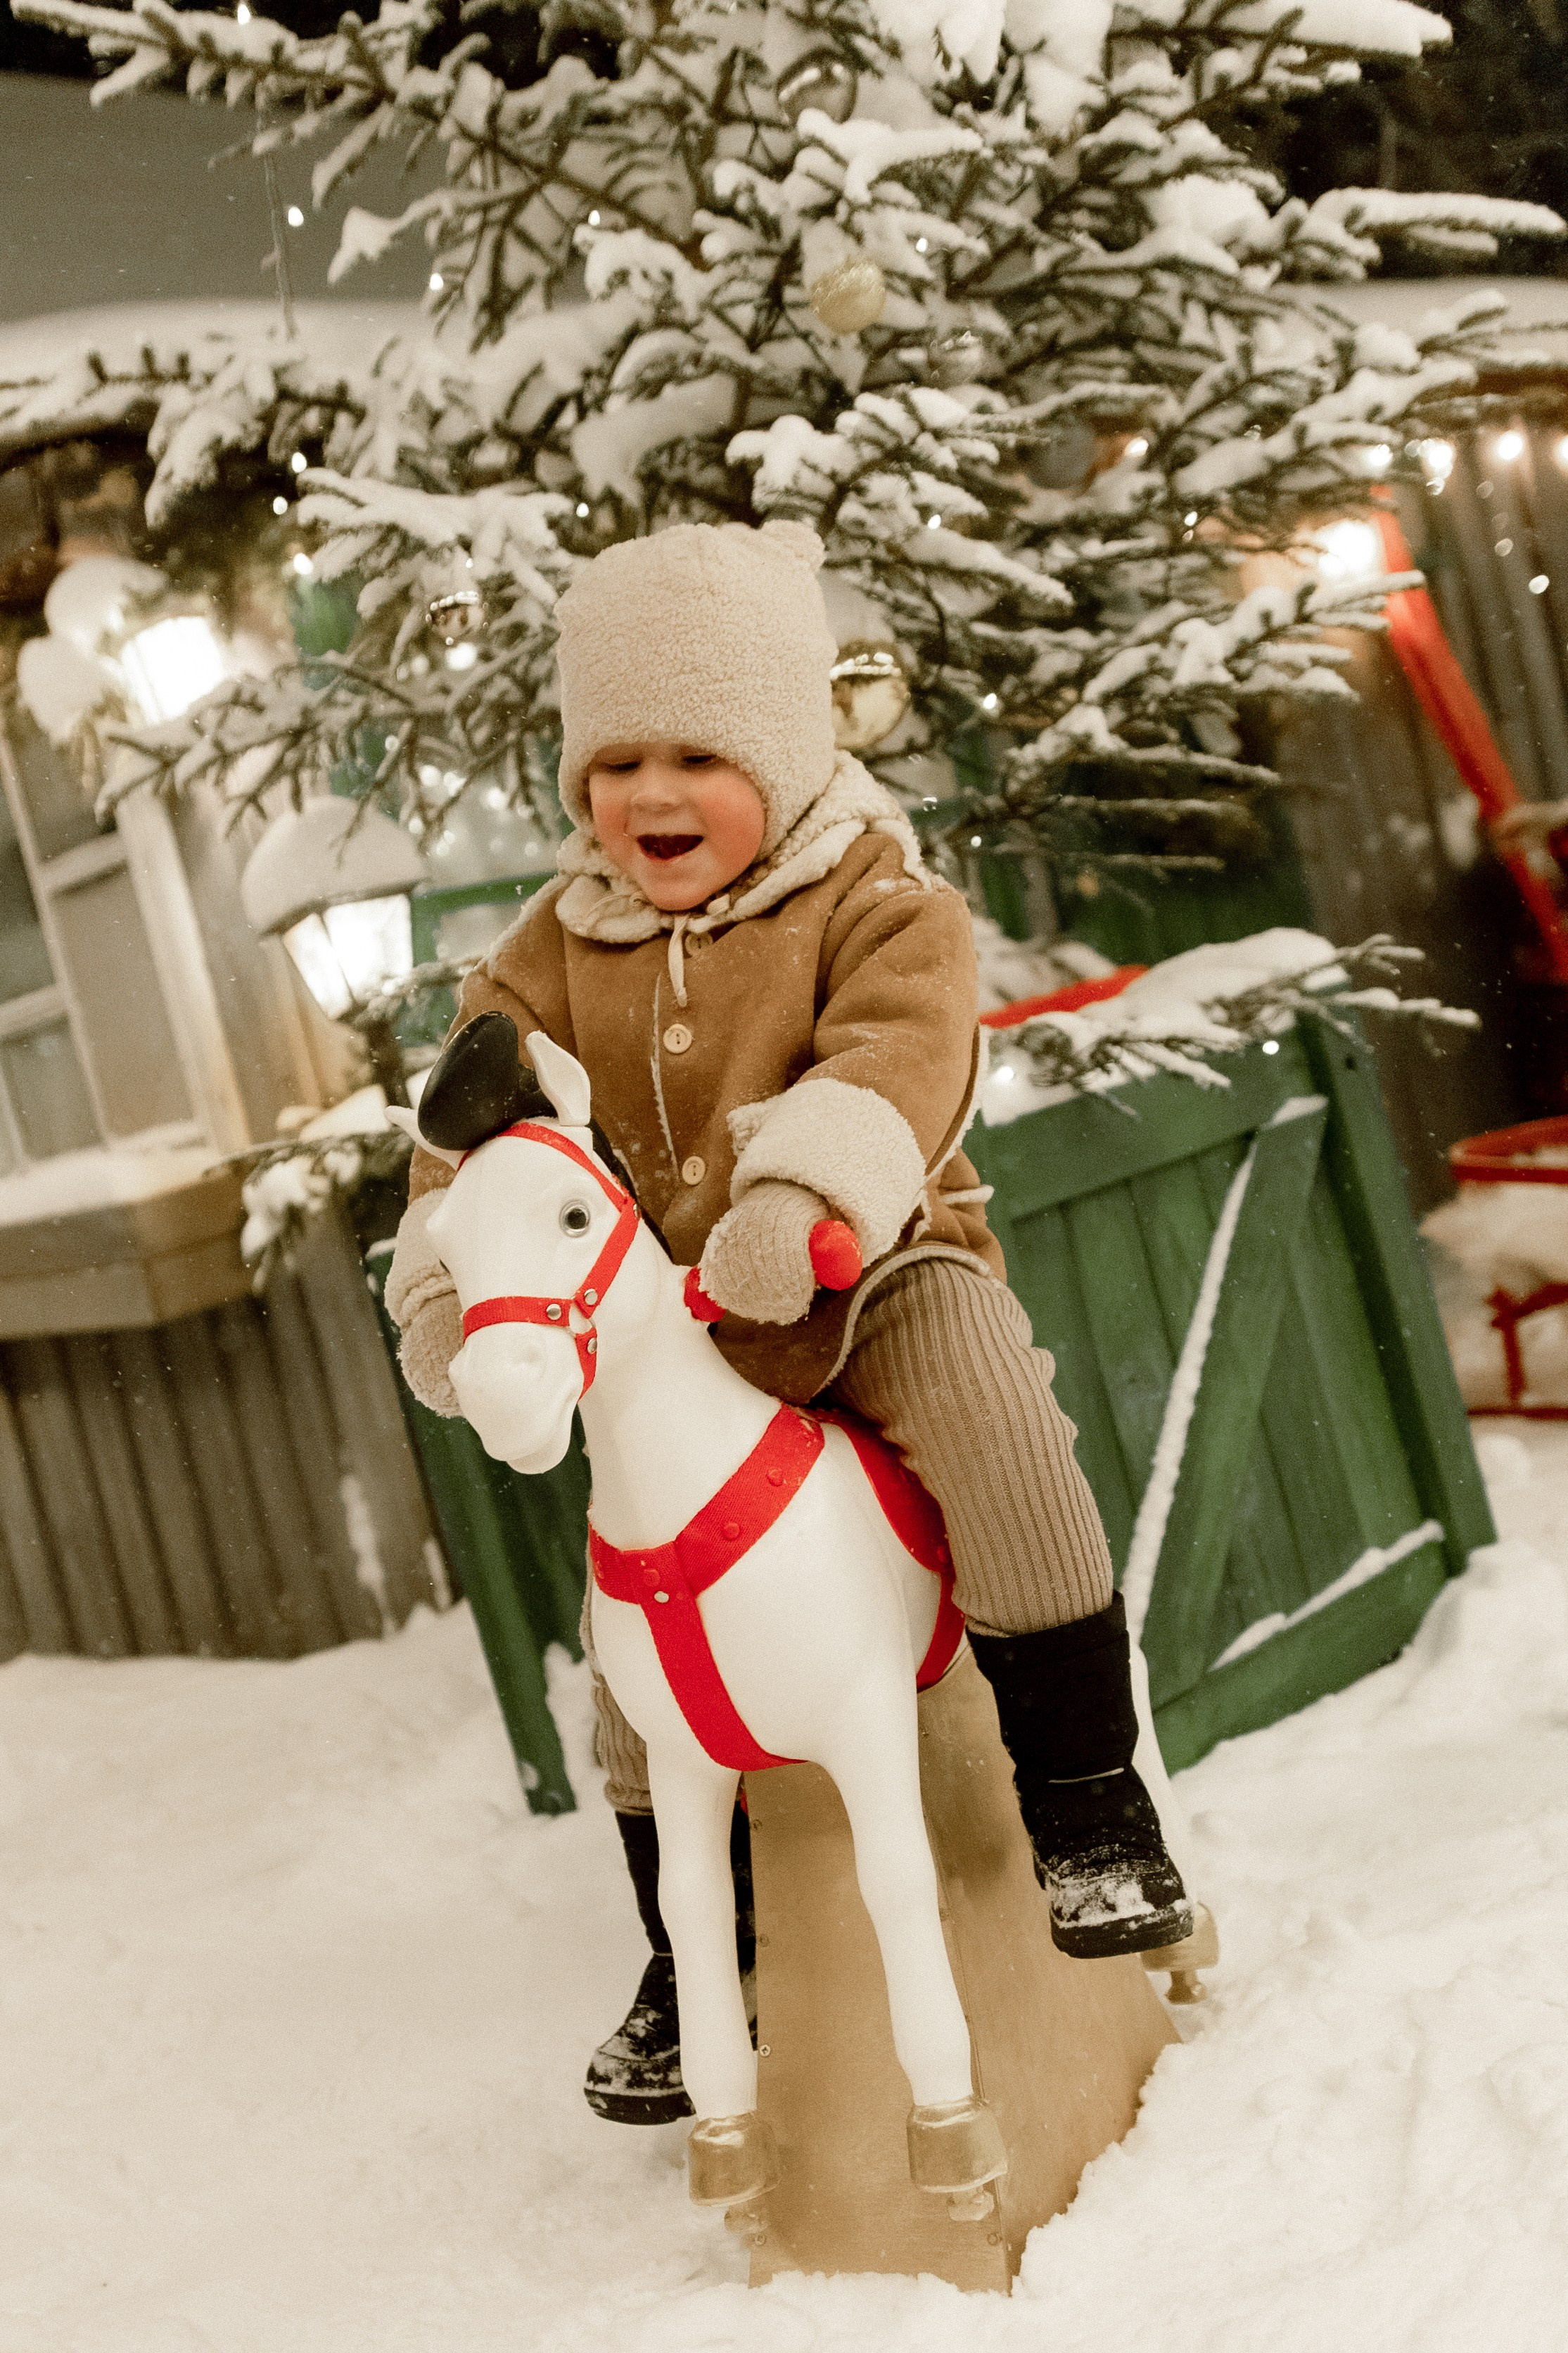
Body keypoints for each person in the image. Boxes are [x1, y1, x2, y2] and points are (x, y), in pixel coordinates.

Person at [386, 519, 1191, 2124]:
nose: (651, 798)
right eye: (614, 759)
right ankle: (697, 1954)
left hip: (866, 1261)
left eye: (698, 752)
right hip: (662, 1319)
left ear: (784, 744)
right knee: (637, 1588)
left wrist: (802, 1205)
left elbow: (897, 1055)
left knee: (995, 1423)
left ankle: (1089, 1804)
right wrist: (435, 1277)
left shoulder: (869, 894)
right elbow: (470, 1140)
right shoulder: (546, 955)